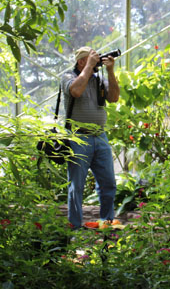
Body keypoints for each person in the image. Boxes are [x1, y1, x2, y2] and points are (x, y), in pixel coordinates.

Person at [61, 46, 120, 229]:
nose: (96, 61)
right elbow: (76, 91)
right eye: (91, 58)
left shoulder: (99, 79)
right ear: (81, 62)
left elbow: (114, 97)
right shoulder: (68, 77)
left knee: (108, 183)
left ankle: (106, 224)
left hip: (100, 137)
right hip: (78, 138)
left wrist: (110, 70)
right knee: (76, 186)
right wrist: (89, 67)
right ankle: (75, 229)